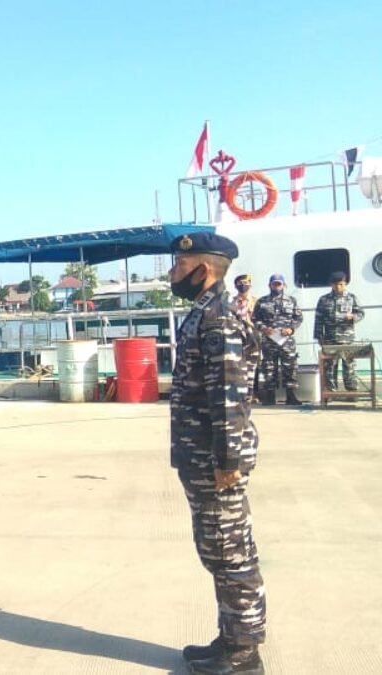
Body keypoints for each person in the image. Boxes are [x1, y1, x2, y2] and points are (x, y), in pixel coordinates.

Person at [167, 232, 266, 674]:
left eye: (178, 264)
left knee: (231, 554)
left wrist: (227, 462)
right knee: (218, 552)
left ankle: (243, 655)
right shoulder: (206, 312)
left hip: (215, 460)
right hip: (201, 456)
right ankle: (230, 640)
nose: (172, 271)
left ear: (202, 269)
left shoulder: (219, 319)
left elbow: (229, 398)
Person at [252, 273, 303, 406]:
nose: (276, 286)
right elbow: (254, 319)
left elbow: (298, 318)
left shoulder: (291, 300)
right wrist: (263, 328)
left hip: (287, 341)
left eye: (279, 284)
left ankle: (291, 396)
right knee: (269, 367)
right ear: (269, 285)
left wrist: (291, 329)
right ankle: (270, 396)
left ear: (284, 285)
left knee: (290, 367)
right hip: (269, 340)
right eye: (274, 284)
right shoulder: (262, 301)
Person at [314, 271, 365, 391]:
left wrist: (353, 317)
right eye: (335, 284)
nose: (338, 287)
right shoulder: (324, 300)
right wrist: (319, 336)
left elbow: (361, 313)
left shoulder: (351, 298)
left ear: (345, 284)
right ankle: (331, 392)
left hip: (347, 339)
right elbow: (318, 319)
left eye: (341, 284)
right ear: (331, 285)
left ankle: (352, 391)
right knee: (330, 367)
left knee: (349, 366)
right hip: (330, 339)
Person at [231, 274, 260, 403]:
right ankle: (240, 393)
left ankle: (252, 394)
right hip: (237, 335)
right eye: (240, 283)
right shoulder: (232, 302)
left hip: (253, 335)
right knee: (237, 364)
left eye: (245, 282)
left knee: (253, 366)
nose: (243, 285)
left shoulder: (256, 301)